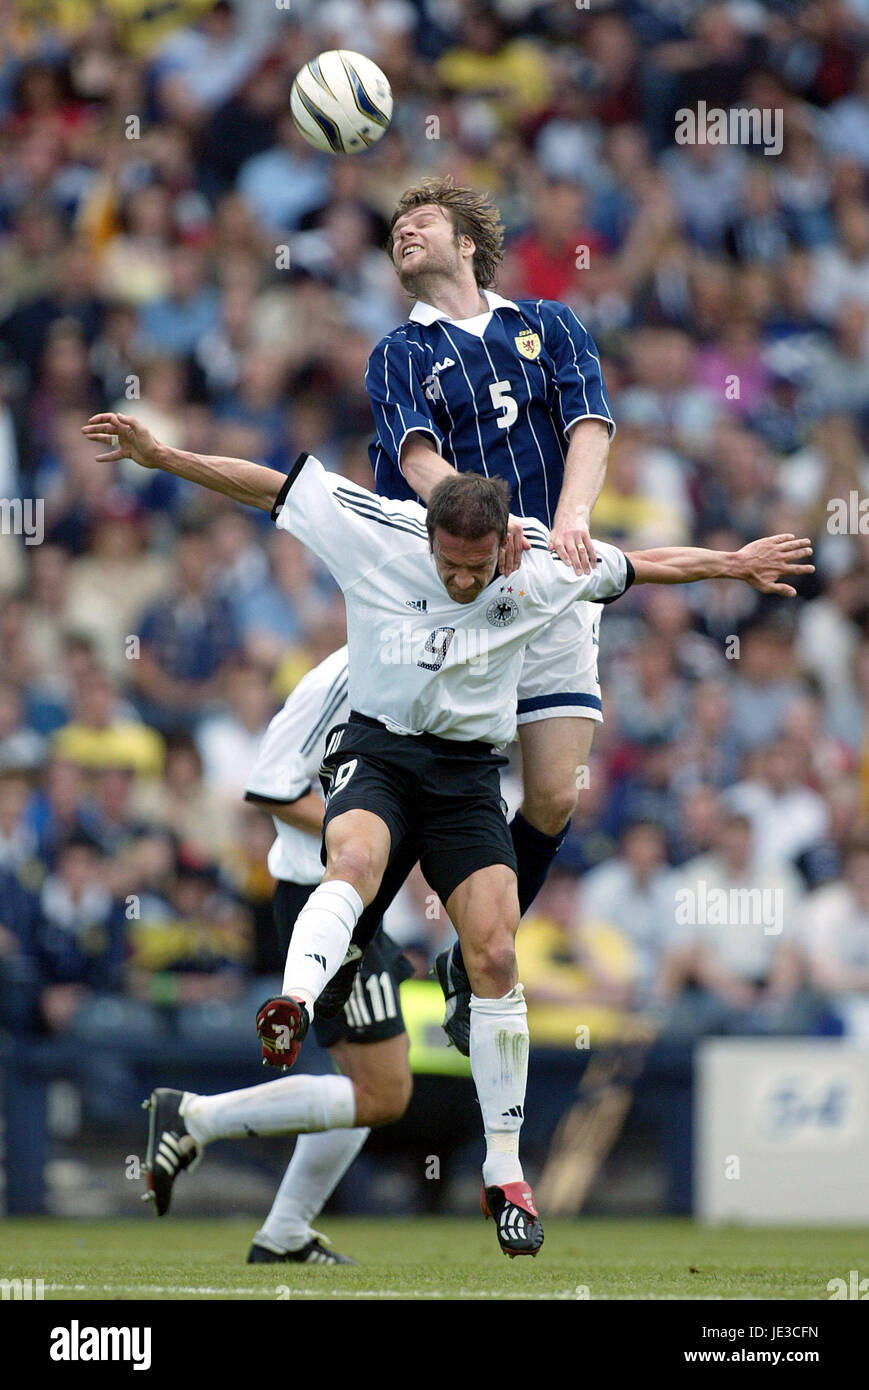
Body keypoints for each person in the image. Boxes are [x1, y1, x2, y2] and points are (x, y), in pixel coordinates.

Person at [82, 408, 812, 1257]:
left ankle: (502, 1176)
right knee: (353, 865)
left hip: (465, 776)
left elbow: (640, 567)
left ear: (500, 544)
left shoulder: (537, 569)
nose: (463, 583)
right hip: (379, 764)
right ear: (425, 537)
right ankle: (292, 999)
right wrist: (163, 455)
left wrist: (731, 562)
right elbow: (264, 484)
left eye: (477, 567)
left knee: (490, 959)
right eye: (449, 566)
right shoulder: (370, 549)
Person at [366, 177, 617, 1052]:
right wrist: (481, 519)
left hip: (547, 581)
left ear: (467, 242)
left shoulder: (547, 324)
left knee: (553, 791)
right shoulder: (399, 351)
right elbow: (414, 458)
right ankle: (358, 944)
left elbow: (589, 422)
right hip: (453, 591)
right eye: (394, 226)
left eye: (420, 221)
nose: (403, 231)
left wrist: (570, 519)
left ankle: (470, 965)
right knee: (416, 789)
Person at [242, 646, 416, 1265]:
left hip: (358, 902)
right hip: (316, 896)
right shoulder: (338, 678)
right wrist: (360, 832)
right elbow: (268, 787)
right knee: (383, 1090)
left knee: (376, 1085)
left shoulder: (423, 664)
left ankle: (284, 1234)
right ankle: (197, 1120)